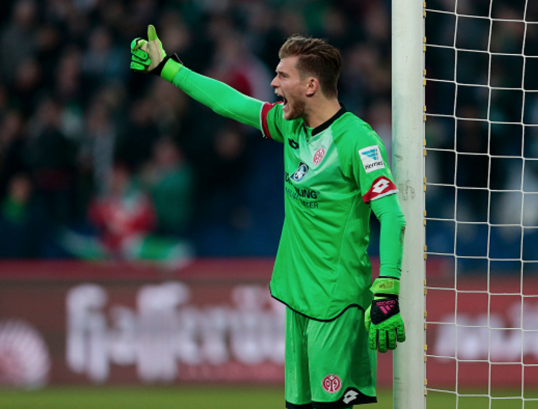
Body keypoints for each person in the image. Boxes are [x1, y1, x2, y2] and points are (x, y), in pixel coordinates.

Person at [130, 25, 406, 409]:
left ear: (310, 85)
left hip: (337, 302)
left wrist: (388, 287)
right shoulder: (289, 125)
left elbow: (392, 216)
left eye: (282, 75)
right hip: (299, 297)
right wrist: (168, 69)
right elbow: (229, 102)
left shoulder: (358, 141)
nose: (273, 83)